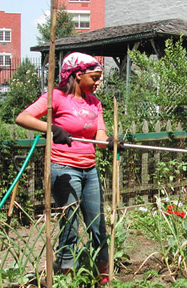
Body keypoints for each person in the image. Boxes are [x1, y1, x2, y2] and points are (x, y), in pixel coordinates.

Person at [16, 52, 121, 285]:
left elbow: (100, 135)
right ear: (77, 74)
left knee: (97, 223)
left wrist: (111, 142)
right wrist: (51, 128)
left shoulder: (95, 103)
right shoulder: (57, 98)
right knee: (70, 224)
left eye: (99, 78)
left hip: (89, 169)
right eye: (94, 77)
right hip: (64, 168)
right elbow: (23, 117)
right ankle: (67, 274)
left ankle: (103, 274)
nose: (97, 82)